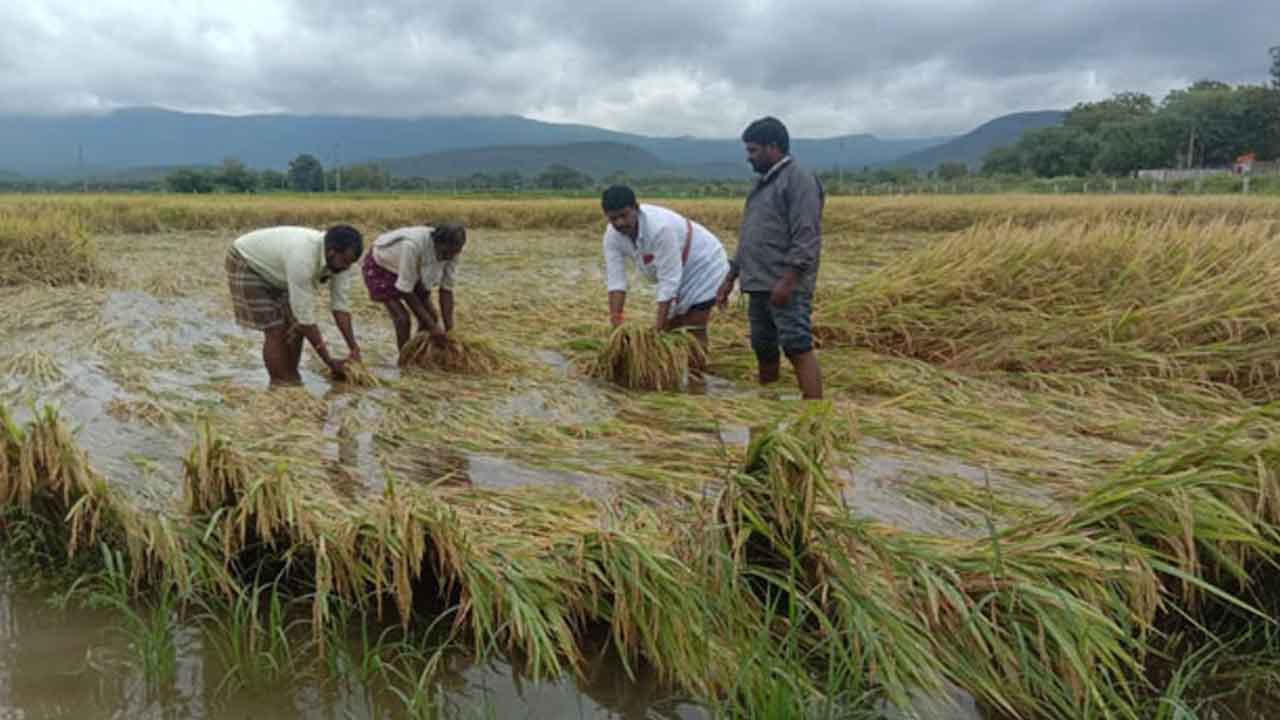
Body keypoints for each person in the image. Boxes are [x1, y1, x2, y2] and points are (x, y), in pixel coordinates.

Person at [716, 116, 825, 399]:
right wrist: (730, 277)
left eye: (753, 150)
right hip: (758, 284)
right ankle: (768, 405)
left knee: (797, 346)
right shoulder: (761, 185)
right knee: (763, 348)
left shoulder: (799, 180)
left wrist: (788, 281)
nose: (748, 157)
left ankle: (815, 414)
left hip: (785, 286)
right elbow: (749, 237)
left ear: (773, 147)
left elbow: (806, 235)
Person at [224, 224, 363, 387]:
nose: (347, 267)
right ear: (331, 252)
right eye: (345, 261)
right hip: (247, 261)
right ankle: (279, 382)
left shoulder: (341, 264)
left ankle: (291, 375)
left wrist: (354, 348)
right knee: (275, 329)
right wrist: (329, 361)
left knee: (295, 326)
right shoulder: (303, 257)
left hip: (279, 269)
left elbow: (340, 307)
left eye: (351, 263)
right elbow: (305, 318)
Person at [601, 185, 728, 355]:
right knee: (673, 328)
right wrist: (616, 323)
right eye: (613, 218)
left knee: (692, 327)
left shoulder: (659, 229)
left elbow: (668, 282)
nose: (620, 223)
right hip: (677, 266)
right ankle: (677, 366)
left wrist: (658, 332)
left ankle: (698, 368)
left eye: (624, 216)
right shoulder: (612, 236)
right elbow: (616, 281)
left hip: (703, 265)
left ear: (636, 208)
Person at [362, 224, 466, 351]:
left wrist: (450, 331)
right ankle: (404, 357)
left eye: (453, 253)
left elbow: (446, 290)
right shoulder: (413, 245)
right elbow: (406, 290)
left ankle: (417, 352)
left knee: (431, 316)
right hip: (383, 267)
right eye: (445, 253)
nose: (448, 257)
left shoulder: (453, 251)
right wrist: (433, 327)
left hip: (412, 271)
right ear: (437, 243)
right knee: (402, 319)